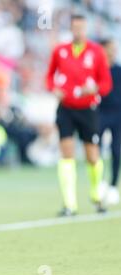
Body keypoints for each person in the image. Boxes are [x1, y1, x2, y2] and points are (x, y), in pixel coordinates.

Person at [45, 14, 112, 216]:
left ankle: (96, 194)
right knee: (67, 154)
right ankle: (70, 204)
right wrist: (53, 89)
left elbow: (106, 84)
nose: (78, 31)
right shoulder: (60, 51)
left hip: (88, 109)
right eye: (75, 27)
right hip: (66, 108)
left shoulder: (96, 52)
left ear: (86, 28)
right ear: (71, 29)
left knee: (92, 155)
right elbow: (49, 77)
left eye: (82, 28)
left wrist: (94, 89)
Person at [98, 39, 121, 205]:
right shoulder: (96, 70)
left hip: (118, 114)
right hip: (100, 114)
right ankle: (99, 182)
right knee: (96, 149)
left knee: (116, 150)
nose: (113, 52)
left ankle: (113, 185)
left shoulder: (118, 70)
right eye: (110, 48)